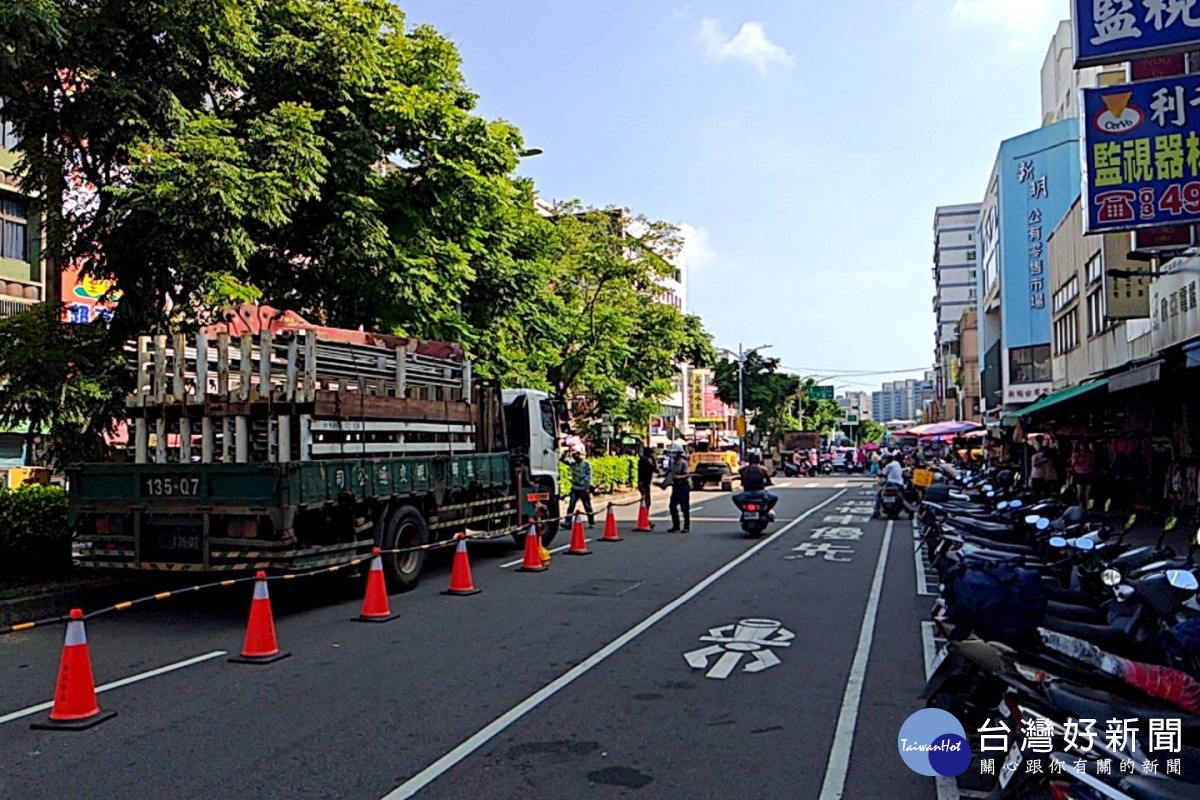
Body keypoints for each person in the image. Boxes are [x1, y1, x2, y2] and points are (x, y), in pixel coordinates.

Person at [735, 453, 777, 519]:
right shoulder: (762, 470)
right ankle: (766, 511)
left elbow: (742, 480)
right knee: (774, 498)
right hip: (760, 493)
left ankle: (743, 511)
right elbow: (769, 481)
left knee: (734, 498)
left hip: (746, 494)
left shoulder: (743, 470)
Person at [562, 449, 595, 528]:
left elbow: (589, 476)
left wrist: (588, 487)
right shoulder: (573, 464)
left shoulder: (586, 464)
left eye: (577, 455)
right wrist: (565, 453)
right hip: (575, 488)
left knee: (587, 506)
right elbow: (562, 460)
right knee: (571, 505)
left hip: (583, 488)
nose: (575, 457)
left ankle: (591, 521)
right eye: (574, 455)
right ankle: (568, 522)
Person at [874, 454, 907, 519]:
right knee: (901, 497)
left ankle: (876, 511)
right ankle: (908, 509)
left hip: (891, 483)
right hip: (899, 484)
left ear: (888, 460)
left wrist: (878, 474)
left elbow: (883, 474)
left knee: (879, 495)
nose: (883, 461)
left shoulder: (888, 466)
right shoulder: (896, 463)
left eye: (884, 460)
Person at [666, 450, 691, 533]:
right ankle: (676, 525)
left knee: (684, 507)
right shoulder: (672, 463)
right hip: (675, 487)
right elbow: (669, 474)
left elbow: (687, 475)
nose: (673, 456)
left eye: (675, 454)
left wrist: (679, 477)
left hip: (683, 487)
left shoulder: (683, 463)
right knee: (672, 506)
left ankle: (686, 527)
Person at [636, 447, 657, 529]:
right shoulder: (645, 462)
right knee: (646, 503)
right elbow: (655, 469)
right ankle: (645, 520)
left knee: (645, 502)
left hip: (643, 483)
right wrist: (654, 460)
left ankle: (645, 519)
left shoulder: (642, 460)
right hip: (644, 484)